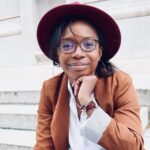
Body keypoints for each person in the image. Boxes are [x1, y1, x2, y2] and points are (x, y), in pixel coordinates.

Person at [34, 3, 144, 150]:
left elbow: (133, 145)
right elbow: (44, 146)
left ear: (99, 52)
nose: (78, 53)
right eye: (67, 45)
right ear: (57, 54)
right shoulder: (50, 89)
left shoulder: (120, 83)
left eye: (88, 44)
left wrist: (88, 103)